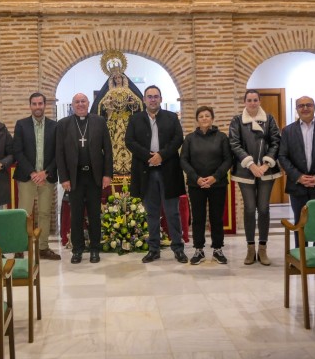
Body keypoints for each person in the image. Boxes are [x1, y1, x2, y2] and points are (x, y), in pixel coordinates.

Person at [125, 85, 188, 264]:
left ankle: (178, 248)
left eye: (156, 96)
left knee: (172, 212)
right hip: (146, 171)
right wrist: (148, 157)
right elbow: (129, 141)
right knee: (151, 213)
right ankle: (154, 249)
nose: (153, 99)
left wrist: (161, 155)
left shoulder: (171, 117)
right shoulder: (135, 119)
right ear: (144, 100)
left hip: (168, 170)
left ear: (160, 99)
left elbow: (178, 139)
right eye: (149, 97)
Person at [56, 93, 113, 264]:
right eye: (77, 102)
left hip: (94, 176)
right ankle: (77, 250)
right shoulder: (64, 124)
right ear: (72, 105)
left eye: (83, 101)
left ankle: (95, 249)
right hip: (75, 177)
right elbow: (59, 153)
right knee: (77, 215)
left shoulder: (99, 121)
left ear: (88, 103)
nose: (80, 104)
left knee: (95, 214)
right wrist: (64, 178)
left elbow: (108, 150)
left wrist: (107, 174)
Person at [229, 89, 282, 266]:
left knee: (264, 209)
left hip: (267, 170)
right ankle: (250, 248)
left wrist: (266, 164)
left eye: (255, 100)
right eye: (249, 100)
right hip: (245, 171)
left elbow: (276, 142)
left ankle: (263, 248)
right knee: (250, 209)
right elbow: (234, 143)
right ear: (244, 102)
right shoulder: (237, 121)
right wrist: (251, 164)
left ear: (260, 101)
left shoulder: (270, 119)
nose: (252, 103)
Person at [277, 96, 315, 246]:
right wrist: (297, 176)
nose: (305, 108)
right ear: (297, 109)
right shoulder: (287, 131)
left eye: (309, 105)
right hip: (297, 186)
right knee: (300, 223)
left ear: (314, 107)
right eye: (301, 106)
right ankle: (301, 257)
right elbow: (282, 156)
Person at [180, 106, 231, 265]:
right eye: (201, 116)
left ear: (212, 119)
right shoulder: (189, 139)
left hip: (218, 184)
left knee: (216, 217)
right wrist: (197, 178)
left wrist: (214, 177)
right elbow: (183, 160)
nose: (204, 118)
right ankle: (199, 249)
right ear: (197, 119)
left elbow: (228, 160)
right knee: (198, 218)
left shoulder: (222, 137)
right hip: (196, 185)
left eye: (207, 116)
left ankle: (217, 249)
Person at [13, 92, 61, 261]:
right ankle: (20, 247)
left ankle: (43, 248)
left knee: (45, 213)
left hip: (46, 177)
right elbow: (17, 151)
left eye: (40, 103)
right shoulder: (21, 125)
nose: (38, 107)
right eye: (34, 104)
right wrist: (33, 173)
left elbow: (58, 153)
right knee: (24, 213)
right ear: (30, 106)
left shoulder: (55, 126)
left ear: (45, 105)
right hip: (27, 177)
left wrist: (45, 172)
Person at [94, 71, 143, 175]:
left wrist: (132, 104)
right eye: (115, 78)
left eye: (119, 77)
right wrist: (108, 105)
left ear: (123, 78)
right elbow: (101, 106)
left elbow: (138, 103)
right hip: (114, 122)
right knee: (113, 144)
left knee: (129, 143)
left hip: (127, 123)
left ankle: (130, 166)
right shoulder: (110, 92)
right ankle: (114, 166)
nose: (117, 79)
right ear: (112, 80)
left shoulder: (128, 91)